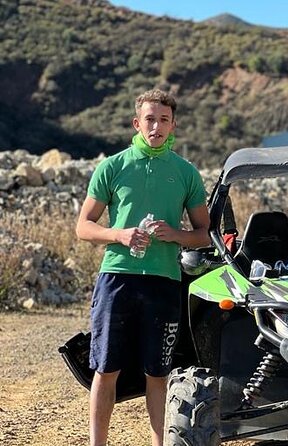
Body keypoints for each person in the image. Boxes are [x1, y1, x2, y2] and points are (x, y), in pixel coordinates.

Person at [76, 89, 211, 446]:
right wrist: (118, 234)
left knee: (158, 374)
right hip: (117, 278)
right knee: (106, 370)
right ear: (137, 123)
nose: (156, 126)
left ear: (173, 125)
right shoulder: (113, 167)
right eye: (149, 119)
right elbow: (83, 226)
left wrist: (176, 234)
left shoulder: (185, 173)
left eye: (163, 119)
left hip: (164, 282)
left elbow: (205, 235)